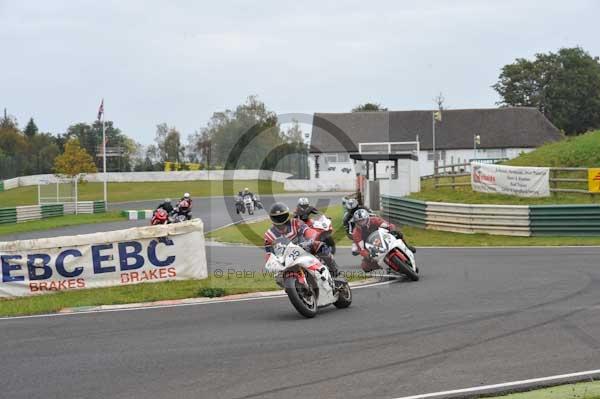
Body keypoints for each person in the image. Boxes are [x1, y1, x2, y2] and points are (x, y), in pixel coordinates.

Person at [264, 202, 339, 277]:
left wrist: (311, 239)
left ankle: (334, 270)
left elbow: (308, 231)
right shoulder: (269, 235)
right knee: (278, 276)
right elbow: (269, 254)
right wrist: (270, 264)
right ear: (272, 218)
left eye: (282, 216)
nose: (280, 219)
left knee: (319, 245)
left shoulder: (296, 222)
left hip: (304, 248)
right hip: (285, 258)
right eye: (277, 217)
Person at [351, 209, 416, 272]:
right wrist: (367, 255)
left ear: (367, 218)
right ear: (356, 222)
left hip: (382, 237)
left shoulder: (374, 220)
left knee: (398, 233)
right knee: (365, 267)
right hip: (370, 247)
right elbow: (361, 248)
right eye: (359, 221)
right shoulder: (356, 233)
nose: (362, 223)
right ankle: (382, 267)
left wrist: (392, 229)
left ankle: (406, 246)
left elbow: (387, 224)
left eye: (363, 220)